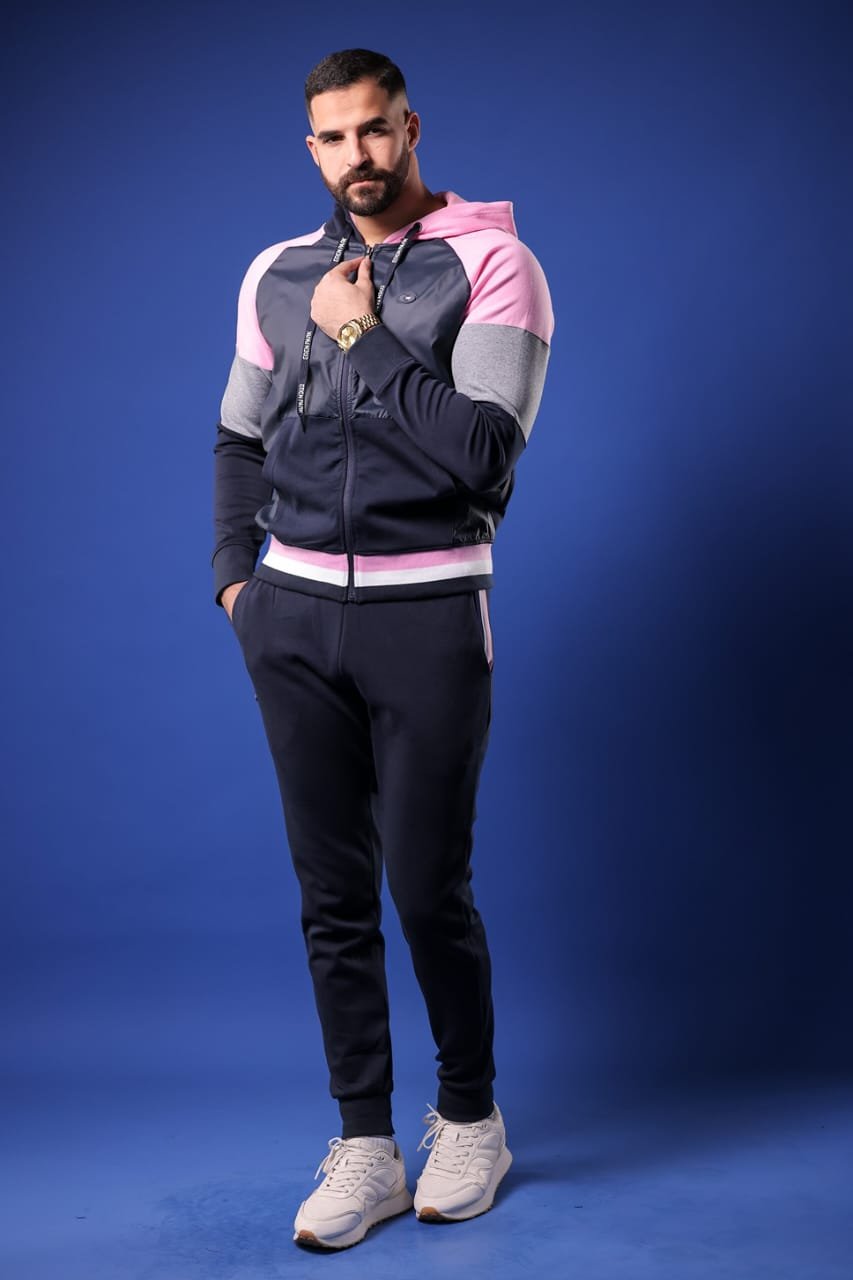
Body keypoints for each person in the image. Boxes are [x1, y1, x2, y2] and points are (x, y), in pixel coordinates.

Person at [211, 47, 554, 1251]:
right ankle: (364, 1142)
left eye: (374, 129)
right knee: (332, 894)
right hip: (293, 615)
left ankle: (469, 1115)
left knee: (424, 884)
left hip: (428, 610)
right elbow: (239, 436)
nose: (356, 155)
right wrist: (236, 583)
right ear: (310, 147)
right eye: (332, 137)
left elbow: (480, 453)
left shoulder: (494, 265)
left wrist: (359, 333)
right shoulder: (275, 273)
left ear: (410, 126)